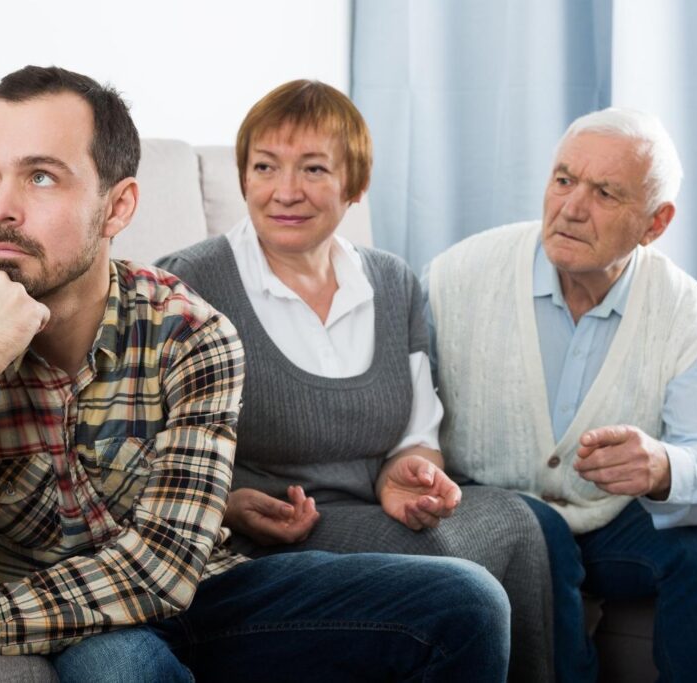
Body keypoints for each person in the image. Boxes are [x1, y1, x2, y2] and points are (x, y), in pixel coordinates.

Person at [0, 65, 511, 682]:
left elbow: (164, 568)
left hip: (208, 590)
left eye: (41, 176)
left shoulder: (193, 333)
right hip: (67, 623)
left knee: (467, 600)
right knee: (124, 668)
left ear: (118, 206)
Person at [157, 79, 552, 681]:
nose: (286, 191)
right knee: (436, 558)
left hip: (373, 509)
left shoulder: (393, 283)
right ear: (243, 178)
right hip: (261, 534)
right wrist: (228, 507)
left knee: (517, 520)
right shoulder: (189, 284)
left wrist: (407, 474)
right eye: (265, 167)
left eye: (314, 169)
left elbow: (416, 433)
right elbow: (147, 453)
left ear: (356, 185)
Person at [423, 106, 697, 682]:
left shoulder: (686, 314)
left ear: (655, 223)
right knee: (540, 528)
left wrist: (663, 467)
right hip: (490, 511)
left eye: (605, 193)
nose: (572, 208)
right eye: (564, 180)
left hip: (612, 525)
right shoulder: (455, 277)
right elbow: (399, 413)